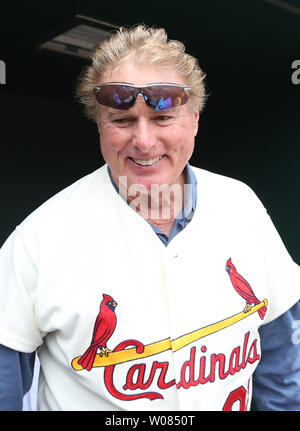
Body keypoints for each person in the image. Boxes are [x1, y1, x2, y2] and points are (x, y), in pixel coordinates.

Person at [0, 24, 300, 411]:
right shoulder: (39, 239)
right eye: (122, 120)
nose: (143, 140)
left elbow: (282, 357)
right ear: (100, 125)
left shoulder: (241, 204)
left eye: (162, 119)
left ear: (193, 119)